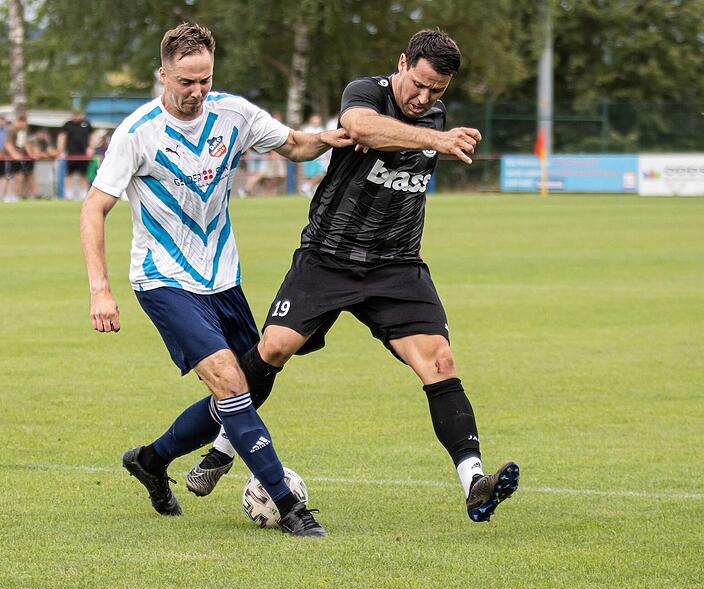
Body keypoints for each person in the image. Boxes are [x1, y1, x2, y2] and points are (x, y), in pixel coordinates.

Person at [190, 29, 520, 524]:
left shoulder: (433, 114)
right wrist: (437, 137)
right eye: (420, 84)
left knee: (440, 361)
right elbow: (363, 128)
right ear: (402, 62)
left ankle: (475, 482)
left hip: (396, 265)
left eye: (438, 92)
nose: (425, 98)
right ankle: (222, 447)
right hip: (328, 257)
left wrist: (434, 136)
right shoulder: (366, 94)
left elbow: (408, 187)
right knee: (274, 348)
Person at [79, 22, 352, 536]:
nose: (196, 91)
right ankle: (289, 505)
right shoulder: (136, 134)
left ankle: (152, 460)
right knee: (229, 379)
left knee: (253, 381)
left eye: (204, 79)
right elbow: (94, 209)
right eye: (185, 81)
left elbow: (293, 145)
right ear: (163, 74)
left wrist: (331, 139)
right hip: (163, 279)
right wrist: (100, 290)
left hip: (222, 279)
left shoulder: (234, 113)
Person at [58, 109, 93, 200]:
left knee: (84, 175)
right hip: (71, 154)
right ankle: (68, 195)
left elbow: (92, 136)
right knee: (70, 174)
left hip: (84, 154)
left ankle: (84, 194)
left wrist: (91, 148)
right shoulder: (68, 125)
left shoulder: (87, 124)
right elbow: (62, 137)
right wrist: (61, 150)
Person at [4, 114, 36, 200]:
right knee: (7, 177)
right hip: (10, 158)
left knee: (19, 177)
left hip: (19, 158)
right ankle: (5, 197)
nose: (26, 124)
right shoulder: (12, 130)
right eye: (25, 122)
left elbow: (24, 144)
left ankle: (15, 196)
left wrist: (31, 154)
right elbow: (8, 144)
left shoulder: (22, 131)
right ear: (21, 121)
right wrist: (14, 154)